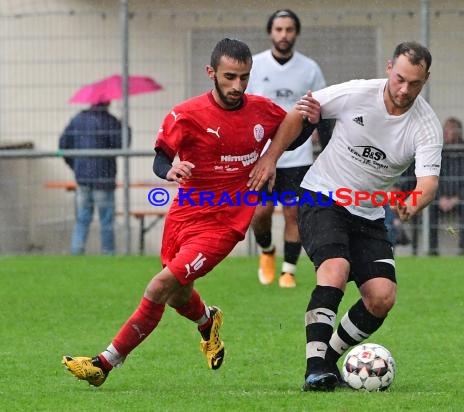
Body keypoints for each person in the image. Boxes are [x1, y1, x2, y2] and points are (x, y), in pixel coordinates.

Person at [61, 38, 321, 387]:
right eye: (230, 76)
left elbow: (294, 130)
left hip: (226, 223)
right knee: (178, 295)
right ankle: (206, 321)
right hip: (184, 215)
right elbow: (160, 157)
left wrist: (297, 134)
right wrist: (169, 170)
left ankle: (104, 363)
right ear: (211, 72)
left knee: (160, 287)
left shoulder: (261, 110)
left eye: (244, 77)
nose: (237, 86)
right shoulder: (186, 114)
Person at [249, 41, 443, 391]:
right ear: (389, 68)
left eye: (414, 83)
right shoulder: (356, 93)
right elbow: (301, 112)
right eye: (400, 78)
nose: (404, 89)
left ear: (426, 79)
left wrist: (414, 202)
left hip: (368, 213)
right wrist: (270, 158)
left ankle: (328, 360)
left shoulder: (426, 124)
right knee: (335, 269)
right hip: (322, 195)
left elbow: (427, 183)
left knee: (381, 297)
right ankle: (314, 369)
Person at [247, 9, 327, 288]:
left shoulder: (310, 69)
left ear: (296, 33)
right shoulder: (255, 65)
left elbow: (321, 107)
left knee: (294, 213)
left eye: (289, 29)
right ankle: (267, 251)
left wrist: (316, 131)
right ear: (270, 32)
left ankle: (288, 271)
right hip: (263, 157)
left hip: (298, 155)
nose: (283, 35)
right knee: (260, 213)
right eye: (279, 29)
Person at [58, 101, 126, 255]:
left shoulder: (78, 119)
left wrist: (75, 166)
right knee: (106, 221)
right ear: (107, 102)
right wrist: (124, 127)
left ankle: (76, 251)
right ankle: (108, 253)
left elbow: (63, 145)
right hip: (104, 178)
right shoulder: (110, 120)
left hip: (83, 179)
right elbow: (121, 145)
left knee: (82, 219)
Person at [429, 117, 464, 256]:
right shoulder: (436, 153)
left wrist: (457, 198)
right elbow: (431, 178)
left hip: (462, 199)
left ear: (459, 132)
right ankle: (431, 248)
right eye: (444, 129)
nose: (446, 133)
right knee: (427, 205)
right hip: (439, 198)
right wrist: (440, 197)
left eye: (450, 129)